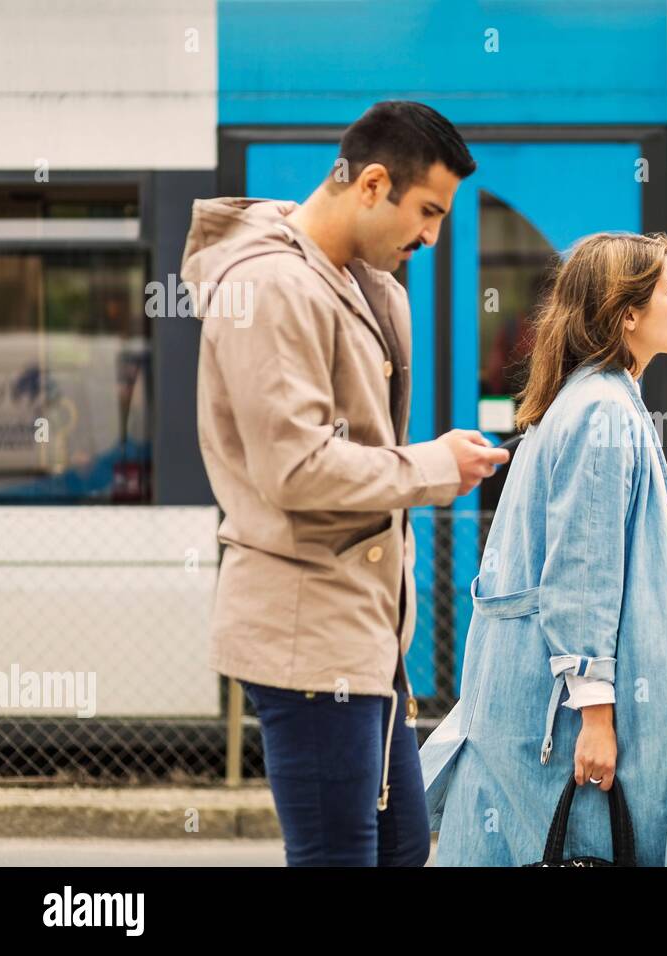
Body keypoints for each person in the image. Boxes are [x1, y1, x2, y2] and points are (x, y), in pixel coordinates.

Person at [183, 101, 509, 866]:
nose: (432, 236)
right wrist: (435, 467)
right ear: (370, 184)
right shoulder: (270, 287)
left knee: (399, 849)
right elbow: (295, 469)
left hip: (364, 638)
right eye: (427, 210)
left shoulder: (365, 286)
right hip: (309, 636)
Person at [420, 232, 667, 866]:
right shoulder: (605, 410)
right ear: (627, 314)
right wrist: (595, 716)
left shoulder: (588, 397)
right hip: (564, 722)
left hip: (531, 707)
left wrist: (654, 505)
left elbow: (584, 533)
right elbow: (579, 575)